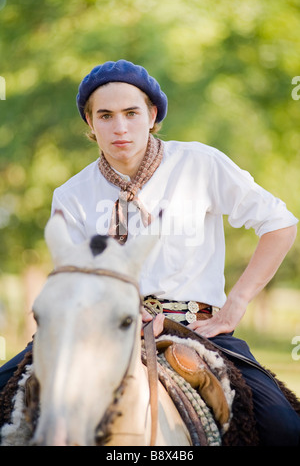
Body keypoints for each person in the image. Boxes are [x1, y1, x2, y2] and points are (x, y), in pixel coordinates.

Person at [1, 60, 299, 445]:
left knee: (285, 428)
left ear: (152, 114)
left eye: (131, 113)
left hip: (197, 330)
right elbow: (75, 278)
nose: (119, 127)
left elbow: (279, 224)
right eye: (105, 115)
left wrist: (235, 305)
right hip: (100, 329)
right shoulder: (71, 195)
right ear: (90, 124)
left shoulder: (199, 164)